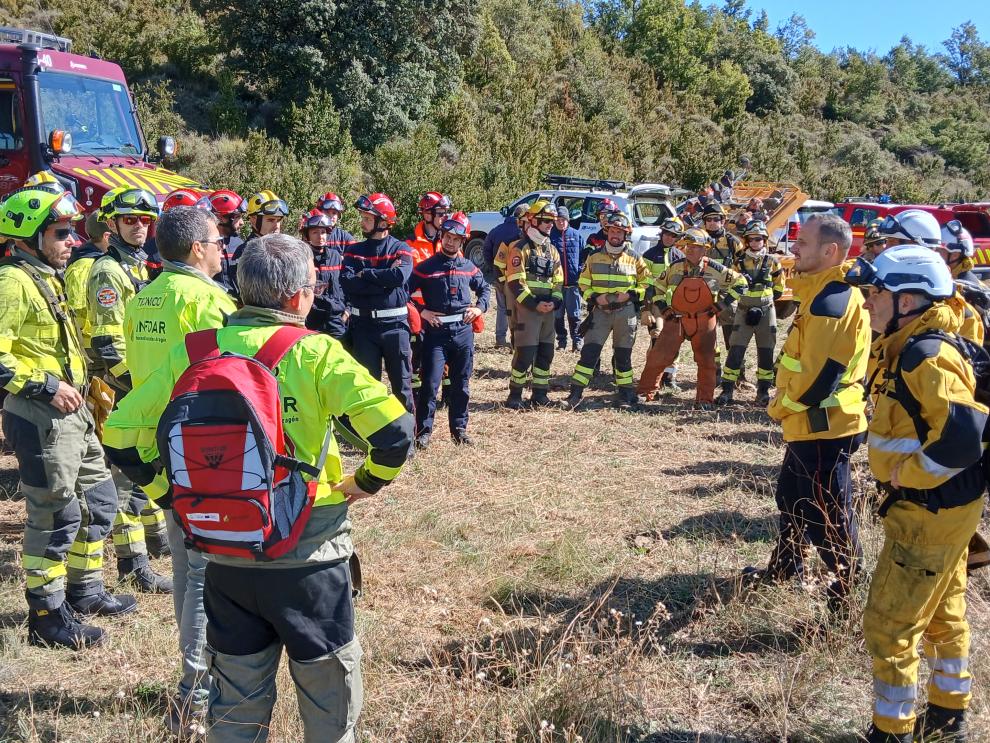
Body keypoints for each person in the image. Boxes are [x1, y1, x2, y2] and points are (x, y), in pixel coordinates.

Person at [103, 233, 414, 743]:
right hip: (309, 557)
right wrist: (363, 483)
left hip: (224, 556)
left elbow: (118, 432)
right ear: (299, 298)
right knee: (328, 699)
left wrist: (168, 495)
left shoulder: (195, 351)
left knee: (235, 704)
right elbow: (396, 434)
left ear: (242, 292)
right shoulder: (316, 353)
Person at [847, 246, 988, 743]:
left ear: (908, 300)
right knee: (944, 612)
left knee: (889, 624)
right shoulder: (907, 347)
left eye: (875, 293)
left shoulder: (926, 356)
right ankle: (949, 714)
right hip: (944, 513)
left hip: (928, 511)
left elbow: (963, 437)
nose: (868, 303)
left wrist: (910, 475)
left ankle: (891, 731)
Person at [0, 187, 135, 649]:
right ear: (26, 238)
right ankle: (46, 615)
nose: (73, 240)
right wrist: (45, 385)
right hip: (41, 416)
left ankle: (85, 591)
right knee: (56, 515)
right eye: (61, 233)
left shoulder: (47, 274)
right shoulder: (11, 282)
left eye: (72, 232)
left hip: (73, 413)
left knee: (98, 501)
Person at [120, 204, 238, 731]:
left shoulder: (142, 297)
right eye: (216, 241)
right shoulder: (209, 300)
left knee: (186, 569)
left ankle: (192, 677)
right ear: (196, 249)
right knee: (202, 573)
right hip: (200, 449)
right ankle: (194, 691)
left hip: (155, 446)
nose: (222, 249)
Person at [750, 214, 870, 609]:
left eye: (803, 242)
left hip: (824, 424)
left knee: (826, 514)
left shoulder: (831, 301)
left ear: (829, 251)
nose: (794, 248)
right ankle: (785, 567)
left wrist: (780, 407)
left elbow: (821, 379)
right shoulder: (819, 293)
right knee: (790, 496)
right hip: (810, 423)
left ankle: (846, 596)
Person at [87, 186, 172, 593]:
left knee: (145, 469)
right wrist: (138, 388)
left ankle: (152, 544)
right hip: (121, 388)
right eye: (129, 220)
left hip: (140, 387)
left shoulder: (139, 265)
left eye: (144, 220)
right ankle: (132, 565)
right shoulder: (108, 270)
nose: (139, 227)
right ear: (113, 224)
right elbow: (107, 346)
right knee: (123, 475)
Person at [637, 228, 745, 406]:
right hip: (676, 319)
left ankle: (704, 399)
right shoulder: (675, 267)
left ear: (705, 249)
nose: (690, 250)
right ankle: (645, 392)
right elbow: (656, 287)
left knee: (707, 361)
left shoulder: (716, 268)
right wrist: (663, 308)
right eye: (688, 246)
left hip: (705, 320)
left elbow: (741, 283)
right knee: (659, 356)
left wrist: (722, 305)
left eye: (695, 247)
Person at [409, 212, 489, 448]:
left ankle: (460, 430)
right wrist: (423, 312)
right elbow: (404, 293)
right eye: (448, 236)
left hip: (463, 332)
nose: (451, 241)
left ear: (463, 241)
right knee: (430, 385)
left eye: (456, 238)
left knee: (461, 384)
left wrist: (479, 308)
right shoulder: (425, 267)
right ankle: (423, 432)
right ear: (442, 236)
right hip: (436, 334)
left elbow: (484, 289)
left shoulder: (469, 266)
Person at [565, 212, 649, 410]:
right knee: (589, 353)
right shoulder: (594, 256)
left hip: (625, 313)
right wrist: (595, 297)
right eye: (612, 230)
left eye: (619, 232)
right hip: (600, 313)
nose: (615, 235)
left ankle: (625, 395)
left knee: (623, 356)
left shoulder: (635, 258)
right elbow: (583, 283)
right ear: (606, 231)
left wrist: (630, 295)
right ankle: (575, 393)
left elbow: (647, 284)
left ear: (625, 235)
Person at [341, 192, 415, 412]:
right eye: (362, 217)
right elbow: (347, 282)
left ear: (383, 222)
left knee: (402, 386)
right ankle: (371, 439)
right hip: (363, 328)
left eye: (367, 218)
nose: (362, 222)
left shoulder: (401, 248)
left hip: (395, 328)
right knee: (368, 387)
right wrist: (383, 278)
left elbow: (399, 277)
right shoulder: (354, 251)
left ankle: (405, 440)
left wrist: (365, 274)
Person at [717, 221, 785, 406]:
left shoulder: (773, 262)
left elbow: (779, 288)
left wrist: (765, 300)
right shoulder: (738, 262)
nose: (755, 242)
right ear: (746, 241)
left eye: (759, 239)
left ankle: (763, 392)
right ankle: (727, 391)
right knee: (736, 350)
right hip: (743, 310)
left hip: (766, 311)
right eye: (751, 239)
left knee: (766, 351)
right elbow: (729, 284)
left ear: (764, 240)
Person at [504, 201, 564, 409]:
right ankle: (514, 396)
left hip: (548, 312)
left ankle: (540, 395)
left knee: (546, 353)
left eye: (552, 221)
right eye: (546, 220)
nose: (550, 225)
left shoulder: (552, 251)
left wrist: (554, 302)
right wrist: (534, 304)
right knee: (524, 354)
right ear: (533, 220)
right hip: (527, 311)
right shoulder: (520, 249)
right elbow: (515, 283)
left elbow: (558, 280)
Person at [407, 193, 451, 394]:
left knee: (448, 354)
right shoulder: (410, 245)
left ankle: (448, 395)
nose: (444, 218)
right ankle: (416, 396)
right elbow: (404, 286)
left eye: (446, 213)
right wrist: (420, 310)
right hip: (419, 312)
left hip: (445, 311)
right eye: (440, 213)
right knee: (417, 354)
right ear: (427, 214)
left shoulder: (450, 242)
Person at [638, 217, 686, 395]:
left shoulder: (680, 257)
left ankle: (670, 377)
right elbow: (645, 284)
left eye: (673, 235)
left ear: (677, 238)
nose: (669, 237)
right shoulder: (649, 255)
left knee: (674, 341)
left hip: (675, 307)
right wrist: (646, 309)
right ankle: (652, 377)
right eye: (666, 233)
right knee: (657, 340)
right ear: (661, 234)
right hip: (655, 306)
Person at [64, 210, 111, 351]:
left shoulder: (100, 260)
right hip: (92, 346)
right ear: (106, 237)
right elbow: (77, 310)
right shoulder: (84, 265)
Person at [300, 209, 349, 342]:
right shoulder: (301, 258)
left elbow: (346, 285)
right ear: (307, 235)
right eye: (315, 232)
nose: (320, 236)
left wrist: (346, 312)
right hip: (311, 322)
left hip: (336, 320)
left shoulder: (335, 256)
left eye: (323, 232)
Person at [226, 190, 288, 294]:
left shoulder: (283, 248)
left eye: (279, 220)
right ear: (253, 220)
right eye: (271, 220)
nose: (277, 226)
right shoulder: (245, 252)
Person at [489, 205, 529, 349]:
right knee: (511, 314)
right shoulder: (510, 241)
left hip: (528, 286)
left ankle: (523, 343)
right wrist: (501, 280)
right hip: (510, 285)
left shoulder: (537, 243)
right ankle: (512, 342)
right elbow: (498, 262)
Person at [551, 206, 583, 352]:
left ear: (568, 220)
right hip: (556, 285)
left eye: (563, 219)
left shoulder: (577, 236)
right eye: (558, 219)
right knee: (557, 316)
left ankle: (577, 342)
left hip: (573, 284)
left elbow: (584, 257)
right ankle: (561, 342)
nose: (561, 222)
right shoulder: (550, 236)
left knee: (574, 315)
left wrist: (580, 271)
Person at [209, 189, 245, 297]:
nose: (242, 223)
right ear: (220, 217)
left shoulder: (239, 243)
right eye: (237, 217)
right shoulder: (205, 245)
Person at [579, 199, 620, 269]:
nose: (605, 219)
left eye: (609, 216)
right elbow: (585, 259)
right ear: (599, 220)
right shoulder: (593, 239)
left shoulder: (621, 238)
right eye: (602, 216)